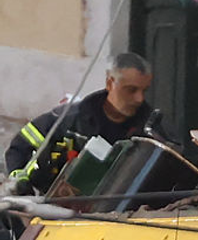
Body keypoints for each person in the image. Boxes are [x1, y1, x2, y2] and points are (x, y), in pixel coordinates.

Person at [5, 52, 161, 193]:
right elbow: (20, 147)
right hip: (60, 212)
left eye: (144, 91)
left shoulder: (151, 128)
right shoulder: (68, 119)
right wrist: (21, 183)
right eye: (131, 90)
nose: (139, 99)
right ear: (109, 83)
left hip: (121, 215)